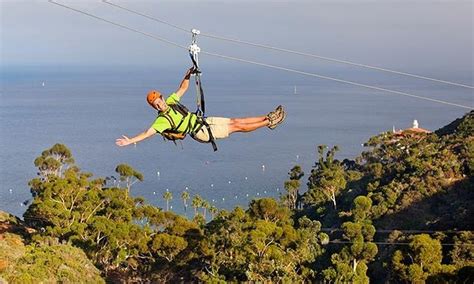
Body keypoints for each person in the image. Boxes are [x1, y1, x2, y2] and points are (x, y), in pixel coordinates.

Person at [115, 67, 286, 148]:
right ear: (154, 107)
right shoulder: (161, 121)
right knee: (237, 127)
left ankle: (268, 116)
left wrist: (188, 75)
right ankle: (269, 123)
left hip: (203, 120)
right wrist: (130, 140)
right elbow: (147, 133)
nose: (159, 103)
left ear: (161, 97)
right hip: (200, 132)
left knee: (236, 120)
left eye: (158, 100)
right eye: (155, 104)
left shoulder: (172, 101)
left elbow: (182, 88)